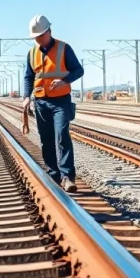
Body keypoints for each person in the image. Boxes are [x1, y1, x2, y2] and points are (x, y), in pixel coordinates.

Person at [21, 15, 84, 192]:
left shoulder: (64, 48)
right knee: (46, 139)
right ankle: (53, 174)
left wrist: (64, 81)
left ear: (49, 31)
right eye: (35, 37)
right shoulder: (32, 53)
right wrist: (26, 96)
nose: (38, 39)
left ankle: (67, 177)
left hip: (61, 101)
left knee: (62, 135)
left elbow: (79, 70)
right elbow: (28, 76)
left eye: (41, 35)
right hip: (40, 101)